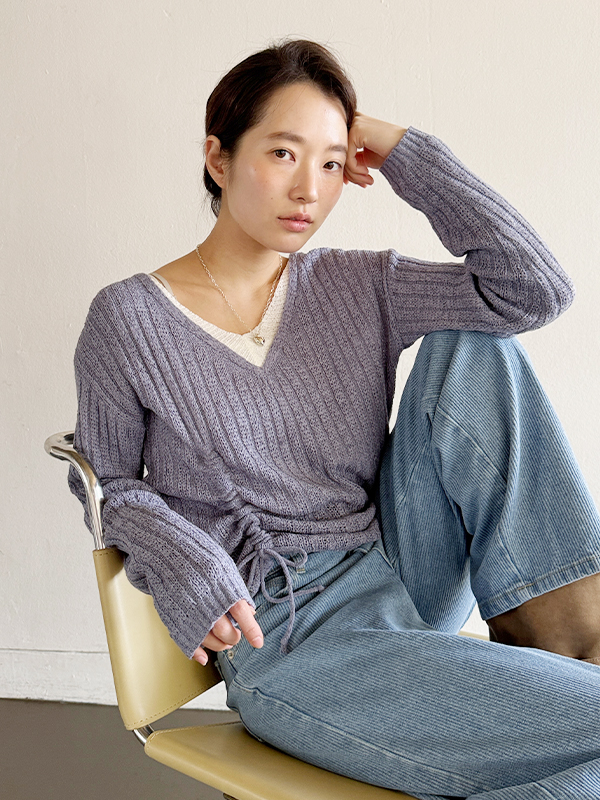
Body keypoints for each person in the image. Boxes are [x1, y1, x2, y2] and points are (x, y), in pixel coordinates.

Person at [69, 39, 600, 799]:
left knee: (474, 348)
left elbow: (532, 291)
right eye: (283, 153)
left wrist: (406, 153)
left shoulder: (358, 284)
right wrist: (187, 561)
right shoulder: (128, 318)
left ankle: (579, 643)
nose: (308, 190)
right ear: (218, 158)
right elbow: (109, 485)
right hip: (286, 631)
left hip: (401, 566)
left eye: (330, 162)